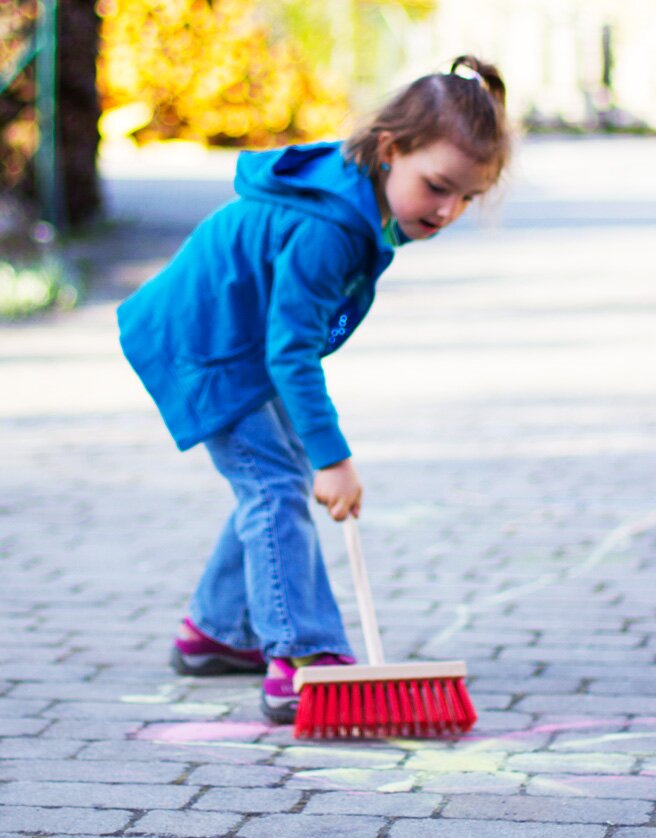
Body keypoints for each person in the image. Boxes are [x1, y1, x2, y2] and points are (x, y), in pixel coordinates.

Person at [117, 55, 511, 724]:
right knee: (275, 483)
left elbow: (287, 342)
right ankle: (300, 655)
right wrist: (333, 457)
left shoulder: (359, 194)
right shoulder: (330, 228)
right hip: (204, 343)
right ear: (390, 149)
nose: (448, 210)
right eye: (438, 186)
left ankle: (216, 630)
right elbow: (290, 350)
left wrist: (318, 454)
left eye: (467, 198)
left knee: (271, 479)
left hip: (235, 340)